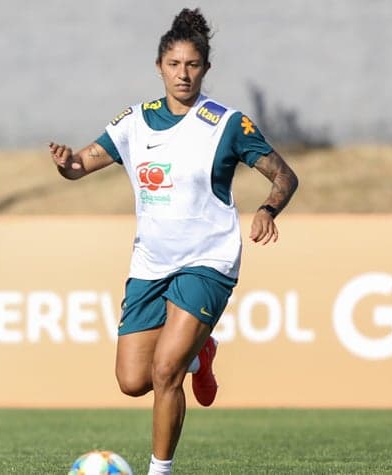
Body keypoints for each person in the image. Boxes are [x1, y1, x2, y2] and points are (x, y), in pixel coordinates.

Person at [48, 8, 298, 475]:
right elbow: (82, 163)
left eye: (193, 65)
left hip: (207, 260)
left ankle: (159, 470)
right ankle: (202, 354)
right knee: (132, 381)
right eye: (174, 64)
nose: (183, 74)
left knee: (165, 372)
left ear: (205, 68)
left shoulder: (227, 124)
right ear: (160, 66)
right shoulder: (134, 123)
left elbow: (284, 175)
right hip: (150, 264)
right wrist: (67, 163)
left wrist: (267, 209)